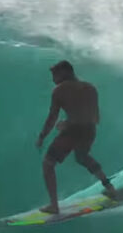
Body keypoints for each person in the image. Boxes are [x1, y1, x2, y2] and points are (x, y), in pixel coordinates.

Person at [34, 60, 117, 214]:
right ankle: (110, 188)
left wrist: (42, 136)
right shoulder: (91, 88)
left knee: (48, 163)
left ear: (65, 72)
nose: (53, 79)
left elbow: (52, 118)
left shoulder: (59, 90)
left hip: (73, 131)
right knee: (82, 157)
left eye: (55, 75)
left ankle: (54, 205)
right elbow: (95, 117)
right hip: (90, 130)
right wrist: (73, 122)